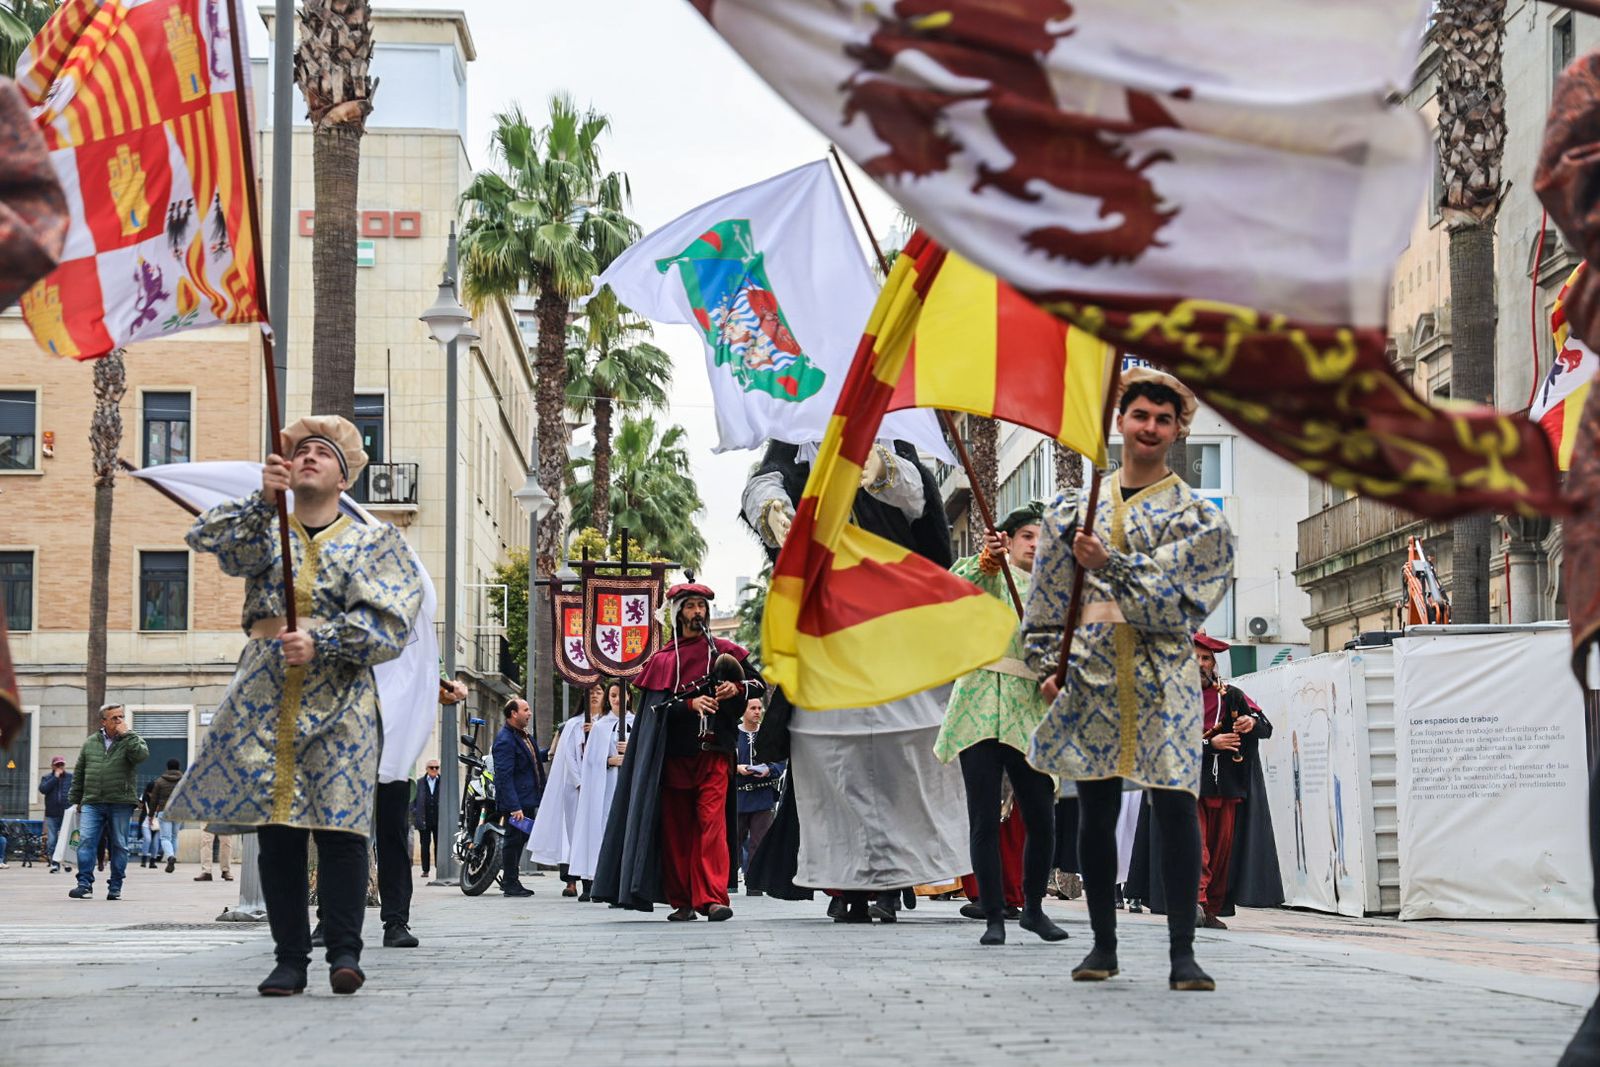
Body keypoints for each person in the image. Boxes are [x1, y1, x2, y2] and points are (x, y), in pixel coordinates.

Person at [163, 415, 424, 997]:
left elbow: (390, 625)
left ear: (343, 476)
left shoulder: (374, 541)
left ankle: (345, 953)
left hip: (343, 700)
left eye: (322, 453)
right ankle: (289, 957)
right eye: (300, 450)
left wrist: (326, 639)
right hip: (264, 693)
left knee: (340, 826)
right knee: (275, 827)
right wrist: (263, 499)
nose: (308, 457)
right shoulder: (265, 531)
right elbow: (210, 540)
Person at [1024, 368, 1234, 992]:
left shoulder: (1200, 520)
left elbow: (1182, 603)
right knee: (1093, 806)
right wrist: (1046, 665)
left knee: (1174, 802)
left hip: (1165, 669)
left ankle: (1182, 952)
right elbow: (1047, 600)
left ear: (1178, 430)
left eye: (1163, 419)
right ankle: (1102, 943)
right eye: (1140, 414)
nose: (1150, 427)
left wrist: (1109, 562)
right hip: (1088, 668)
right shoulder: (1071, 510)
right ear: (1120, 421)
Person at [741, 440, 967, 924]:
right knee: (831, 765)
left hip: (894, 628)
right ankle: (846, 886)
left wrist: (885, 469)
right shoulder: (794, 438)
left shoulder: (893, 438)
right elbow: (764, 483)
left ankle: (891, 884)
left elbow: (922, 502)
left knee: (901, 763)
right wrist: (773, 511)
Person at [934, 501, 1067, 947]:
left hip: (1030, 708)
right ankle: (993, 914)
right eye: (1027, 535)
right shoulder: (987, 573)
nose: (1036, 544)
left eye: (1042, 537)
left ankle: (1033, 908)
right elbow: (951, 588)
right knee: (983, 818)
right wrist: (986, 559)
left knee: (1041, 817)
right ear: (1007, 541)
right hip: (980, 701)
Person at [594, 580, 760, 922]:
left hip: (714, 753)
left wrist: (736, 686)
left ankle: (713, 899)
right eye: (690, 606)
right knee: (677, 830)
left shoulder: (727, 650)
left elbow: (758, 684)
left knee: (710, 824)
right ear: (677, 613)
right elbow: (656, 712)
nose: (697, 612)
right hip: (674, 758)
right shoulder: (664, 660)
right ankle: (683, 900)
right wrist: (689, 704)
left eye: (701, 606)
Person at [1192, 632, 1277, 929]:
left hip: (1227, 786)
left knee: (1221, 851)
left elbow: (1266, 727)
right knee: (1197, 848)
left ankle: (1211, 908)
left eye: (1206, 659)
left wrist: (1251, 723)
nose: (1200, 664)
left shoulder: (1232, 695)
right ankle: (1195, 903)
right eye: (1195, 658)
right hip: (1188, 788)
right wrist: (1209, 745)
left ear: (1214, 664)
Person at [67, 703, 149, 900]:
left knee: (120, 844)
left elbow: (141, 756)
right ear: (103, 721)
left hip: (121, 801)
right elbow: (80, 772)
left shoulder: (131, 739)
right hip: (93, 801)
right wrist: (75, 800)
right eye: (114, 718)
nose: (119, 721)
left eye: (121, 716)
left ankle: (115, 886)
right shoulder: (90, 742)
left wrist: (127, 735)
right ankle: (84, 884)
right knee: (86, 841)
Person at [560, 682, 633, 898]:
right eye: (613, 695)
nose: (617, 699)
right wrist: (609, 760)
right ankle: (595, 880)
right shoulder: (600, 727)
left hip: (628, 787)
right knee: (601, 830)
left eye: (621, 694)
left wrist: (630, 752)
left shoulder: (637, 724)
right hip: (605, 788)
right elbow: (590, 760)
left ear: (629, 696)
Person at [529, 687, 599, 897]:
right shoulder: (573, 725)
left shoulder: (607, 723)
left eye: (599, 691)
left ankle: (593, 879)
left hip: (598, 787)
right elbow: (569, 754)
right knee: (572, 833)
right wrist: (580, 782)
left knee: (594, 832)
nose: (595, 695)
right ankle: (571, 880)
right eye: (592, 691)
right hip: (575, 789)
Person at [492, 696, 548, 898]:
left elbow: (533, 758)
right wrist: (514, 807)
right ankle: (510, 882)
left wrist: (551, 752)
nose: (529, 713)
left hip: (528, 799)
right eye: (525, 710)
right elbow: (504, 776)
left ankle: (511, 879)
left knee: (520, 838)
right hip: (517, 803)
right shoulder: (505, 740)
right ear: (513, 713)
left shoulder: (524, 736)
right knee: (513, 840)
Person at [732, 696, 784, 895]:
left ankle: (755, 883)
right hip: (738, 796)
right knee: (733, 840)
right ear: (743, 710)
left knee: (760, 841)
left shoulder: (769, 734)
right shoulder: (733, 734)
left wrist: (769, 770)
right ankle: (729, 881)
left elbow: (781, 762)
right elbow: (723, 760)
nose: (757, 711)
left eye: (759, 708)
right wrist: (736, 768)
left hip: (763, 796)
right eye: (752, 708)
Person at [145, 758, 182, 873]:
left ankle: (170, 857)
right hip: (179, 811)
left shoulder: (160, 781)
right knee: (175, 836)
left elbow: (154, 800)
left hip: (164, 811)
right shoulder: (184, 780)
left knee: (165, 837)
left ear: (167, 768)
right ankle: (172, 858)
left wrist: (151, 815)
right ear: (178, 768)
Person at [38, 755, 73, 874]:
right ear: (52, 766)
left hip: (67, 813)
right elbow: (43, 789)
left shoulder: (70, 777)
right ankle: (54, 864)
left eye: (61, 765)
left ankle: (66, 863)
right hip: (52, 813)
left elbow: (76, 791)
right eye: (57, 765)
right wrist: (55, 778)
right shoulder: (47, 778)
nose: (60, 767)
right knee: (52, 840)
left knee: (66, 840)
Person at [411, 757, 443, 880]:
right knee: (425, 845)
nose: (434, 770)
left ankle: (439, 868)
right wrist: (415, 812)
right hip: (424, 819)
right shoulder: (419, 782)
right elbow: (413, 800)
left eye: (436, 767)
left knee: (438, 845)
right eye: (431, 767)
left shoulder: (443, 782)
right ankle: (425, 870)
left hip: (438, 819)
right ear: (427, 769)